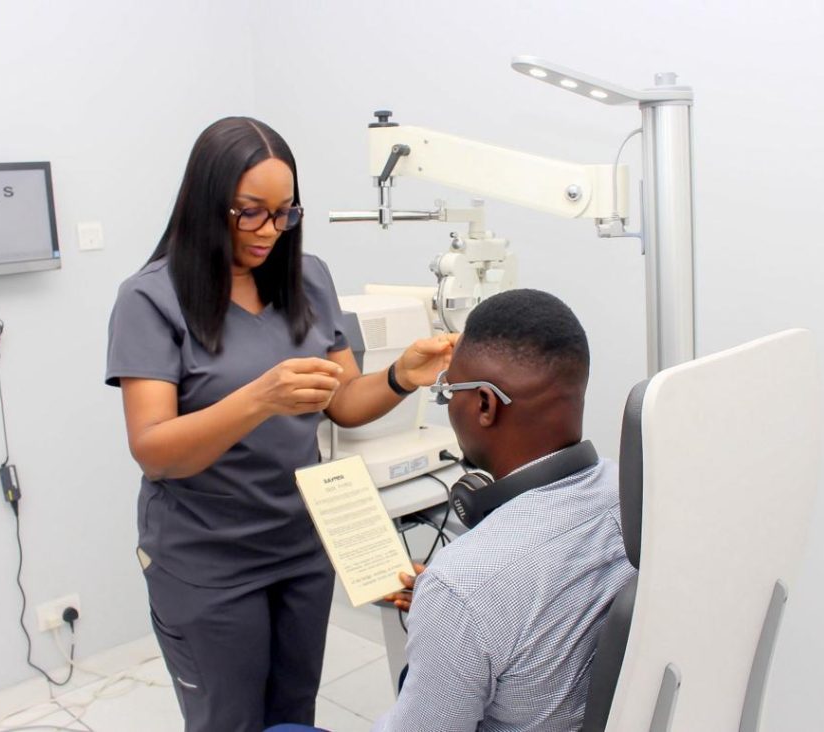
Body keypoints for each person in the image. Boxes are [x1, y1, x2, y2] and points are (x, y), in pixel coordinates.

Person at [105, 116, 457, 732]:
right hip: (207, 559)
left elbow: (344, 402)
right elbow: (154, 450)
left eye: (285, 213)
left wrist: (402, 374)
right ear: (207, 204)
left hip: (299, 548)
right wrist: (260, 398)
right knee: (229, 722)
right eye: (250, 213)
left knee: (292, 716)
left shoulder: (308, 278)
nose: (270, 231)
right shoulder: (150, 300)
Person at [374, 289, 636, 732]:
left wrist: (455, 606)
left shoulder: (462, 589)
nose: (447, 404)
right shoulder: (632, 495)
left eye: (446, 392)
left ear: (484, 404)